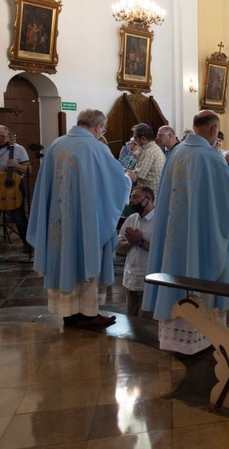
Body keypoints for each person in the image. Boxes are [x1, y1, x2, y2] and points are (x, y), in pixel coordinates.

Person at [141, 110, 229, 354]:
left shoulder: (176, 151)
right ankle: (201, 336)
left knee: (175, 273)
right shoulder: (210, 156)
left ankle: (174, 339)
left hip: (174, 233)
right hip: (200, 233)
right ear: (213, 129)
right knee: (198, 272)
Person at [27, 109, 132, 328]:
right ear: (98, 127)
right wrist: (128, 178)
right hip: (86, 222)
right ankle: (87, 312)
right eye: (102, 128)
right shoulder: (97, 148)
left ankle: (68, 311)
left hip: (59, 221)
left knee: (63, 258)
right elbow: (116, 182)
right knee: (86, 255)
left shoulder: (56, 145)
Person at [116, 186, 155, 317]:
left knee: (146, 322)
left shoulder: (160, 220)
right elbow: (118, 246)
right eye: (131, 197)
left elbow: (162, 250)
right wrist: (130, 242)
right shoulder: (131, 219)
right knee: (131, 320)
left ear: (147, 199)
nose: (131, 200)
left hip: (149, 279)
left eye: (135, 197)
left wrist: (140, 242)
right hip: (131, 278)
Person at [0, 125, 32, 255]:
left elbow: (29, 170)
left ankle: (27, 244)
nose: (0, 138)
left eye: (2, 135)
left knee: (19, 218)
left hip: (13, 188)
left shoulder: (18, 149)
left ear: (8, 136)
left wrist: (16, 165)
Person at [126, 123, 165, 197]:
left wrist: (123, 171)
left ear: (143, 138)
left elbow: (137, 175)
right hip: (151, 192)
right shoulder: (152, 148)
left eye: (135, 138)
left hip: (150, 196)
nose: (134, 140)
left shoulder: (149, 152)